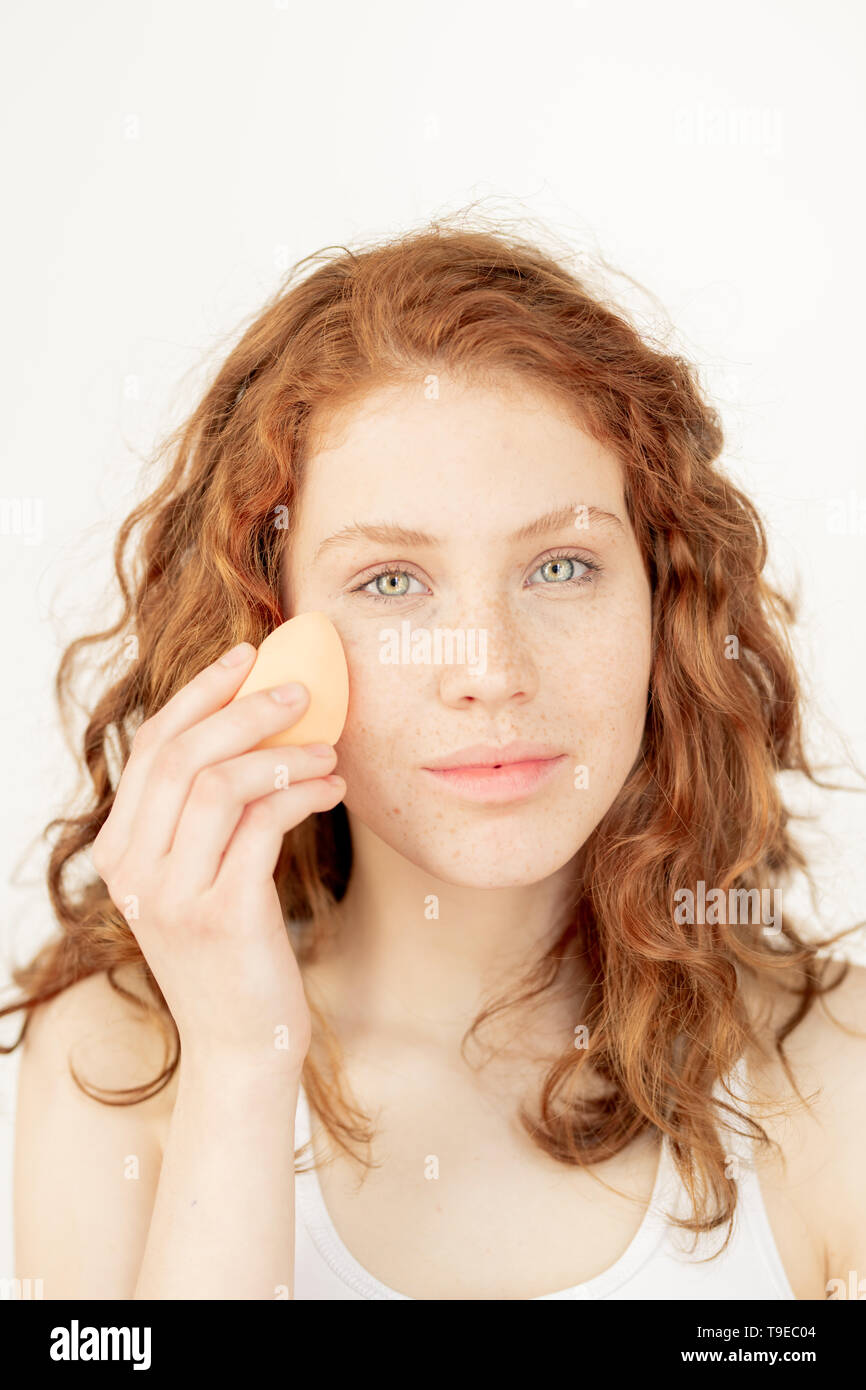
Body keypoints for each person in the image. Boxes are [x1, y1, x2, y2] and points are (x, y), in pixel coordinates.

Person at [4, 218, 865, 1300]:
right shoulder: (116, 1061)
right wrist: (239, 1066)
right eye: (391, 582)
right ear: (266, 630)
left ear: (662, 601)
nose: (491, 670)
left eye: (558, 565)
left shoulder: (838, 1073)